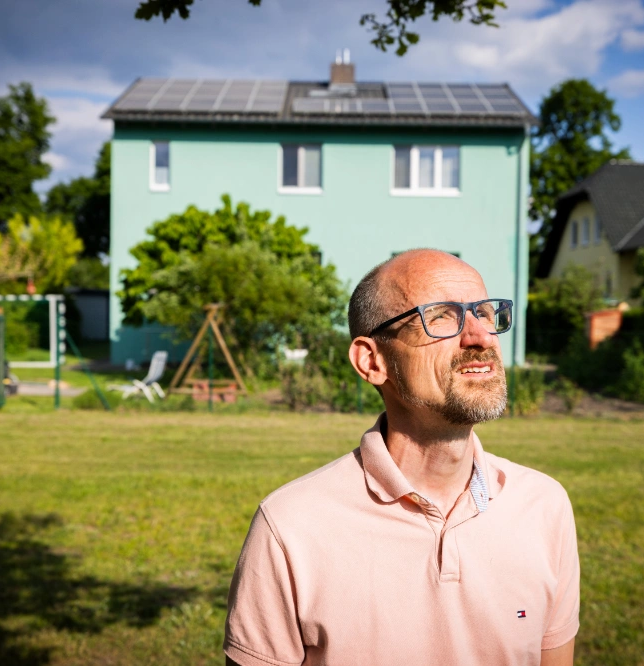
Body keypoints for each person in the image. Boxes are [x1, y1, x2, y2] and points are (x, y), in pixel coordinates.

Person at [224, 249, 580, 666]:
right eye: (442, 316)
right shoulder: (290, 526)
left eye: (485, 312)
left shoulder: (544, 505)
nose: (480, 336)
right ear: (371, 361)